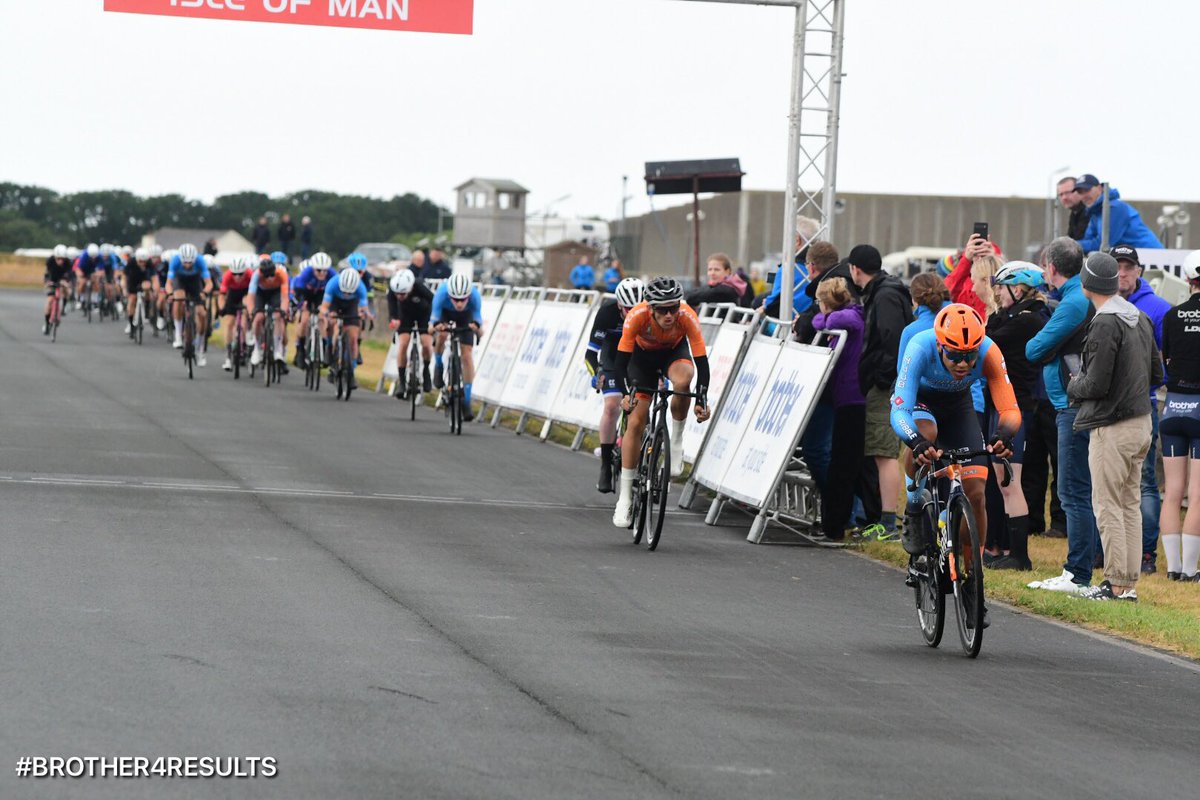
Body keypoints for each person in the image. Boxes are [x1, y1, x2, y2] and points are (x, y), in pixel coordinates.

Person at [893, 304, 1021, 628]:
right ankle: (913, 504)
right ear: (940, 345)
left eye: (970, 356)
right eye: (955, 356)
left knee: (977, 490)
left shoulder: (989, 351)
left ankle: (969, 577)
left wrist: (1004, 434)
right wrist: (916, 443)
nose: (964, 364)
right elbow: (899, 410)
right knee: (928, 433)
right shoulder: (920, 346)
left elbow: (1009, 408)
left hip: (960, 407)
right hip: (921, 404)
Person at [1067, 252, 1161, 601]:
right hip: (1142, 422)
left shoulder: (1105, 321)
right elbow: (1157, 374)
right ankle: (1128, 585)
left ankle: (1114, 584)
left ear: (1087, 283)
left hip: (1114, 424)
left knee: (1107, 503)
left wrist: (1073, 382)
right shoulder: (1139, 315)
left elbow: (1096, 384)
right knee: (1129, 503)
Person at [1026, 237, 1100, 594]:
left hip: (1069, 405)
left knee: (1073, 490)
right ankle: (1086, 567)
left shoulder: (1072, 301)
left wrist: (1048, 347)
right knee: (1082, 489)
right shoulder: (1077, 296)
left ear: (1051, 268)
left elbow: (1033, 348)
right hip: (1076, 403)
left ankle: (1078, 572)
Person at [610, 278, 711, 527]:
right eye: (663, 309)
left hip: (673, 355)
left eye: (673, 308)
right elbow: (620, 364)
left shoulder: (686, 316)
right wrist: (625, 394)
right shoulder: (636, 317)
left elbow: (702, 362)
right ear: (651, 308)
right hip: (640, 361)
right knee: (635, 422)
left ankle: (675, 445)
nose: (669, 314)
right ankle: (624, 498)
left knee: (683, 381)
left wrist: (701, 398)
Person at [1106, 244, 1171, 573]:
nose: (1122, 273)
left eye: (1128, 267)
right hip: (1105, 409)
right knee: (1108, 482)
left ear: (1140, 271)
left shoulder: (1158, 309)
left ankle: (1146, 554)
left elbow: (1170, 361)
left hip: (1141, 406)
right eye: (1116, 266)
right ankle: (1116, 552)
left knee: (1143, 482)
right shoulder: (1102, 305)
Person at [984, 263, 1050, 569]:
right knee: (998, 479)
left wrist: (995, 320)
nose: (996, 292)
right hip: (998, 405)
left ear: (1019, 288)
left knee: (1011, 480)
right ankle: (998, 546)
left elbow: (986, 340)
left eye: (1001, 286)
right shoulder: (1012, 317)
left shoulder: (1028, 321)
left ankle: (1020, 556)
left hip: (1015, 407)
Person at [850, 244, 912, 541]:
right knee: (879, 452)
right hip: (883, 382)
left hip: (884, 386)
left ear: (855, 269)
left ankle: (888, 523)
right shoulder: (885, 291)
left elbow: (891, 341)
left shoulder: (885, 295)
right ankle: (883, 518)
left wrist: (881, 379)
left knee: (884, 453)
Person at [811, 277, 865, 541]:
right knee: (841, 463)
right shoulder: (848, 315)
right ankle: (836, 522)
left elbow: (826, 321)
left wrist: (824, 316)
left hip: (853, 398)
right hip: (846, 397)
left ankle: (839, 524)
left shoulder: (850, 318)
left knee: (843, 465)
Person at [1160, 250, 1200, 582]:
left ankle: (1173, 569)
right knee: (1197, 493)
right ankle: (1190, 570)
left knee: (1173, 491)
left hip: (1173, 406)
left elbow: (1167, 358)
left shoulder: (1172, 316)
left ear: (1188, 280)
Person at [585, 278, 645, 493]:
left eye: (636, 308)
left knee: (641, 407)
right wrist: (596, 373)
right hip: (612, 355)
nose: (632, 313)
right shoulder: (607, 313)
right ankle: (605, 465)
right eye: (628, 308)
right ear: (619, 305)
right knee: (612, 405)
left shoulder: (649, 312)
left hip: (638, 356)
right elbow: (591, 353)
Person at [429, 272, 484, 420]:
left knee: (467, 355)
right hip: (445, 314)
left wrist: (476, 327)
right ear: (449, 295)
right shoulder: (441, 293)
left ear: (468, 296)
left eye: (462, 300)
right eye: (455, 299)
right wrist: (435, 326)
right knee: (441, 335)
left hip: (466, 317)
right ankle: (439, 366)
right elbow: (433, 320)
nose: (459, 304)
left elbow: (478, 318)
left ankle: (466, 400)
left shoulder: (474, 296)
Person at [1073, 174, 1163, 253]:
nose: (1084, 195)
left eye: (1087, 190)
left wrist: (1071, 246)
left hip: (1152, 257)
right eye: (1080, 192)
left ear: (1100, 188)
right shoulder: (1095, 212)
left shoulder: (1114, 207)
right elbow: (1088, 239)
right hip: (1135, 259)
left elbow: (1104, 244)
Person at [758, 215, 821, 317]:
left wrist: (766, 304)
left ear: (797, 240)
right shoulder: (823, 271)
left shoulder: (789, 270)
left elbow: (772, 306)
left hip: (785, 327)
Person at [320, 268, 371, 391]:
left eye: (349, 292)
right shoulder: (332, 284)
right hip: (335, 303)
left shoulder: (360, 287)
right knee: (333, 325)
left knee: (353, 337)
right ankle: (330, 350)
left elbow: (364, 308)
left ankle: (351, 371)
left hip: (351, 306)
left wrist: (364, 314)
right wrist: (327, 314)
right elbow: (324, 307)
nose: (346, 294)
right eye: (344, 291)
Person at [387, 268, 435, 396]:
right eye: (397, 294)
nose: (399, 297)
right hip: (405, 316)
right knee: (403, 344)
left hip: (423, 314)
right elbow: (392, 310)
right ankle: (402, 382)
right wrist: (394, 320)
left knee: (426, 344)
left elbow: (434, 301)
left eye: (402, 294)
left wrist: (433, 322)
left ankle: (426, 370)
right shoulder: (392, 292)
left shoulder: (419, 287)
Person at [793, 244, 853, 345]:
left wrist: (800, 322)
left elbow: (814, 318)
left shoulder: (830, 286)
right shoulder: (848, 279)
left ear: (811, 267)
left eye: (806, 264)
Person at [165, 244, 213, 364]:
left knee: (202, 314)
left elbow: (208, 283)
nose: (187, 265)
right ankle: (178, 334)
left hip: (195, 282)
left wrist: (205, 293)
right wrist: (170, 294)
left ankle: (200, 348)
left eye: (190, 262)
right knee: (179, 298)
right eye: (185, 262)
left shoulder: (200, 261)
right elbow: (169, 283)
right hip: (180, 281)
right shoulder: (175, 260)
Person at [290, 252, 335, 370]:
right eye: (319, 270)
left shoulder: (332, 274)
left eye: (325, 271)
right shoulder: (306, 273)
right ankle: (300, 349)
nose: (322, 273)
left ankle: (325, 346)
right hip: (307, 295)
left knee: (323, 318)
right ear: (313, 268)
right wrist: (301, 303)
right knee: (304, 319)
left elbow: (336, 289)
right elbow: (298, 289)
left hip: (322, 296)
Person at [246, 255, 291, 368]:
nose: (270, 278)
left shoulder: (282, 274)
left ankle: (277, 349)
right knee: (258, 318)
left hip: (275, 293)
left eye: (272, 275)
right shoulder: (256, 275)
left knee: (278, 316)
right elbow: (250, 297)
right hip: (261, 293)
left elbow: (285, 297)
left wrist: (283, 311)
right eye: (266, 276)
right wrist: (252, 312)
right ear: (262, 273)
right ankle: (256, 348)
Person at [217, 256, 254, 371]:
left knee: (244, 316)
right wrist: (221, 308)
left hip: (246, 293)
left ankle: (245, 338)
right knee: (229, 323)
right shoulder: (227, 276)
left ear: (245, 272)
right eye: (235, 274)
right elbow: (222, 295)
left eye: (240, 274)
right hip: (233, 294)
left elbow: (253, 294)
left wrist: (250, 308)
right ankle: (228, 356)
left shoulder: (250, 274)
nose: (237, 277)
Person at [122, 248, 154, 338]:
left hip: (144, 280)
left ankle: (147, 308)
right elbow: (124, 277)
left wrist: (155, 290)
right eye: (140, 261)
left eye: (144, 261)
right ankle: (131, 324)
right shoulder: (131, 262)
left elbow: (155, 278)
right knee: (132, 300)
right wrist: (124, 289)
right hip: (133, 281)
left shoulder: (149, 263)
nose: (142, 263)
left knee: (147, 287)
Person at [43, 245, 73, 333]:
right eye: (58, 259)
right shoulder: (50, 261)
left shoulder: (68, 262)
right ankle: (47, 324)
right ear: (55, 257)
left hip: (63, 279)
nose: (60, 261)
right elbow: (46, 273)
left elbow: (70, 274)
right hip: (53, 279)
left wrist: (66, 282)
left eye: (62, 259)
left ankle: (64, 306)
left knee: (67, 290)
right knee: (49, 301)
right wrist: (47, 282)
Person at [1056, 177, 1089, 241]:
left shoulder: (1090, 212)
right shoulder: (1074, 213)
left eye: (1068, 192)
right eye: (1061, 194)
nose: (1064, 197)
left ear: (1079, 191)